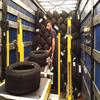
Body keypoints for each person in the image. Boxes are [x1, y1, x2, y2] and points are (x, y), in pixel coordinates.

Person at [46, 20, 58, 93]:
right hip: (54, 52)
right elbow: (51, 44)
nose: (46, 27)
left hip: (56, 53)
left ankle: (57, 89)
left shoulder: (52, 32)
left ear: (51, 25)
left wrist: (52, 55)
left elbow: (53, 44)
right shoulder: (51, 32)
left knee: (56, 70)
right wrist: (49, 51)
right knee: (54, 70)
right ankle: (55, 86)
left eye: (48, 25)